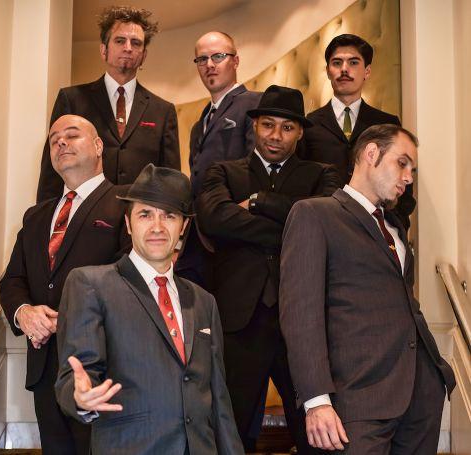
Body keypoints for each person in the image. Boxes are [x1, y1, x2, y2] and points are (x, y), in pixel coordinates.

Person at [280, 124, 456, 454]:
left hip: (420, 398)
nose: (408, 178)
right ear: (371, 153)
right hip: (357, 401)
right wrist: (316, 400)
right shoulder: (315, 214)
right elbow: (301, 316)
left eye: (412, 170)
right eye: (402, 163)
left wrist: (436, 378)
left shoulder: (395, 226)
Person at [55, 164, 244, 455]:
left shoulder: (204, 301)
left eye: (169, 215)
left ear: (183, 227)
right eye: (145, 214)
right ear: (129, 224)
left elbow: (220, 401)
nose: (157, 227)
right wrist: (80, 397)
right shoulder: (91, 284)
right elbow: (76, 374)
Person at [196, 85, 341, 453]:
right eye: (268, 125)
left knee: (316, 435)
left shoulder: (322, 176)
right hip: (239, 321)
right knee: (233, 433)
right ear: (254, 126)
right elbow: (214, 219)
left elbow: (328, 224)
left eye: (287, 127)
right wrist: (295, 226)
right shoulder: (222, 172)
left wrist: (258, 202)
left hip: (304, 322)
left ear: (300, 132)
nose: (276, 135)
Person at [0, 115, 131, 454]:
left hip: (104, 367)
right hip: (45, 369)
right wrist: (24, 313)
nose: (61, 142)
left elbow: (131, 278)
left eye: (72, 135)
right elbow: (13, 280)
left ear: (98, 146)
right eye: (54, 138)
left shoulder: (126, 204)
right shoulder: (36, 216)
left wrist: (73, 317)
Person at [36, 6, 180, 202]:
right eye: (120, 40)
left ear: (144, 55)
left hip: (139, 214)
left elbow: (170, 180)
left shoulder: (163, 111)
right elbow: (52, 169)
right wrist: (45, 217)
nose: (128, 47)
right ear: (104, 50)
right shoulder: (72, 99)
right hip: (84, 213)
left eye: (136, 43)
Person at [300, 34, 415, 229]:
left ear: (367, 71)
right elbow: (302, 182)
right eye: (337, 63)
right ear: (328, 71)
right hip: (325, 226)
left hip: (376, 227)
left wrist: (395, 225)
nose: (344, 69)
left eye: (353, 62)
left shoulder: (387, 123)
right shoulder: (309, 124)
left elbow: (402, 182)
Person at [175, 31, 260, 287]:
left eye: (218, 56)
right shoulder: (198, 124)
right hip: (198, 238)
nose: (209, 65)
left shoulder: (254, 104)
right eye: (202, 59)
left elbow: (257, 168)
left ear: (235, 61)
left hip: (234, 238)